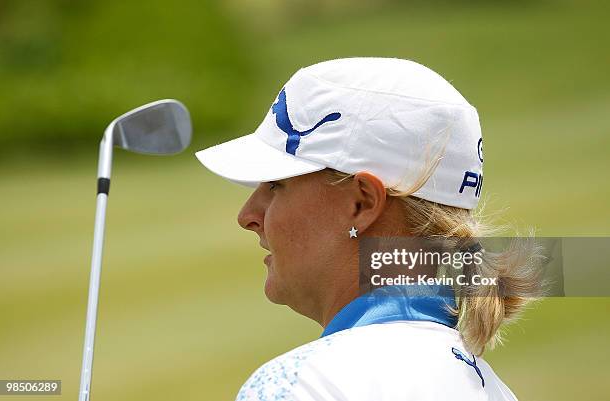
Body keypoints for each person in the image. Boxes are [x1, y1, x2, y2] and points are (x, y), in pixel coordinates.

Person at [195, 57, 538, 401]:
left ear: (361, 203)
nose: (248, 215)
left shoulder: (298, 385)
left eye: (276, 185)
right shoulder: (492, 389)